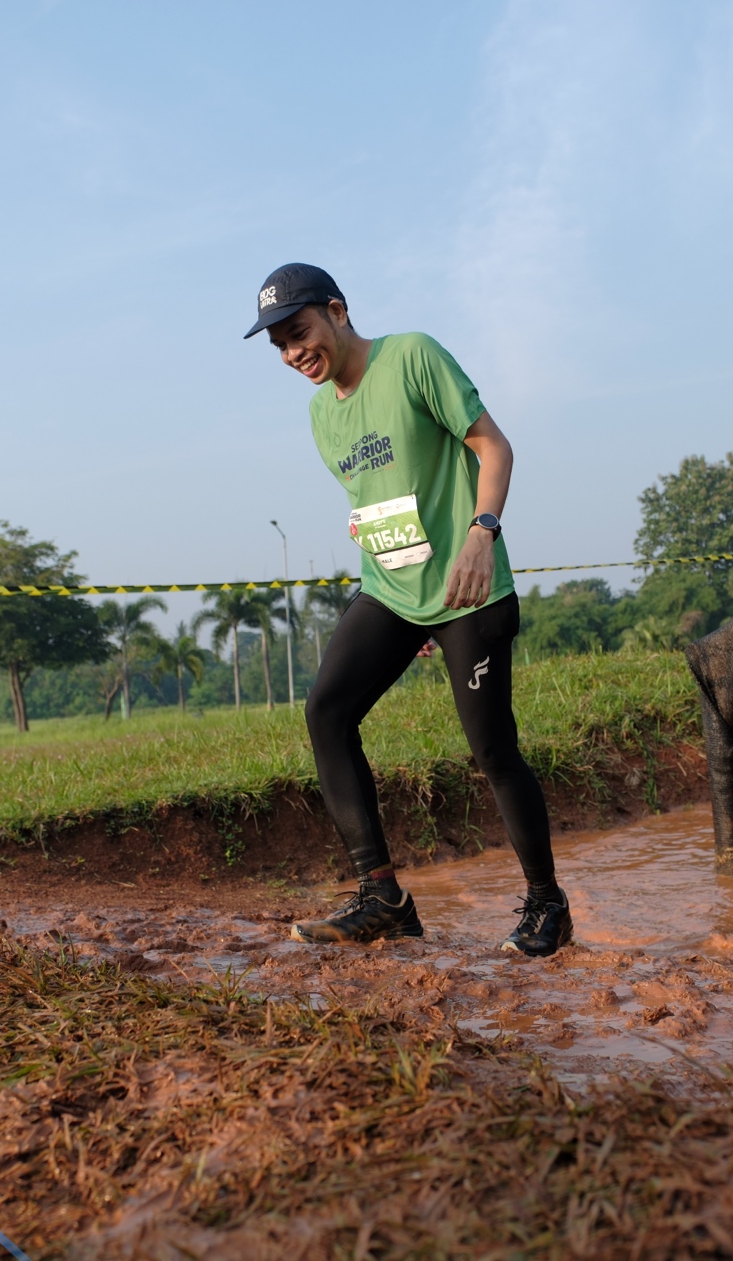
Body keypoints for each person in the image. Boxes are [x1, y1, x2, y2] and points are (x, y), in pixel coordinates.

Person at [245, 263, 569, 956]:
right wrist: (379, 547)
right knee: (327, 711)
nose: (294, 352)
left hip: (467, 589)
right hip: (392, 592)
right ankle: (382, 897)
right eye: (280, 344)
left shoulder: (412, 356)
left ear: (337, 311)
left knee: (492, 748)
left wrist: (482, 533)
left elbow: (493, 445)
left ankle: (548, 904)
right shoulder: (321, 414)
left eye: (299, 332)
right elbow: (378, 499)